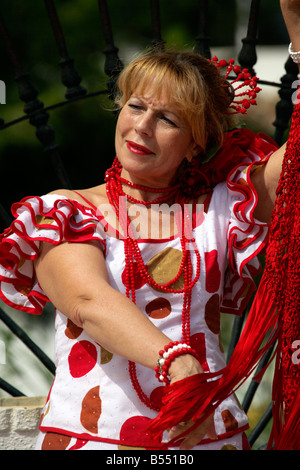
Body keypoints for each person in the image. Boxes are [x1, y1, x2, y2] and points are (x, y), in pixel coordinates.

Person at [0, 0, 299, 451]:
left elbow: (294, 167)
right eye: (136, 106)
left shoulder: (224, 206)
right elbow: (87, 301)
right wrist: (179, 363)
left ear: (196, 144)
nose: (142, 126)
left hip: (207, 440)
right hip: (92, 440)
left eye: (167, 119)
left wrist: (297, 32)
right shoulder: (64, 211)